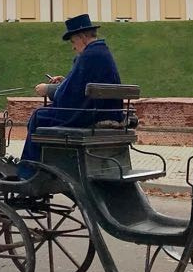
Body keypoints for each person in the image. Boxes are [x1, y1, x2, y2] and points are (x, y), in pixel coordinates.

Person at [18, 14, 123, 166]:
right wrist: (65, 81)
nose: (73, 46)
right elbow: (80, 87)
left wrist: (48, 89)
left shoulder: (88, 56)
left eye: (73, 41)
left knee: (38, 116)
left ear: (83, 37)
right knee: (42, 115)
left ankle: (30, 168)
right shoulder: (102, 52)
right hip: (106, 112)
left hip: (90, 116)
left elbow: (67, 95)